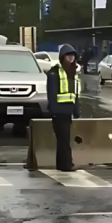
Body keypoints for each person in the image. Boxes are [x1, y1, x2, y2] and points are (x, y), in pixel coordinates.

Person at [45, 44, 81, 172]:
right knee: (63, 140)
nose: (71, 58)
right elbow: (52, 93)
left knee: (63, 140)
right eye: (68, 55)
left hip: (68, 112)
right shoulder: (55, 73)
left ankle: (61, 164)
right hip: (59, 112)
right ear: (62, 57)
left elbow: (75, 94)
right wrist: (54, 111)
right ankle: (67, 164)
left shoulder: (73, 73)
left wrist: (76, 110)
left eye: (73, 56)